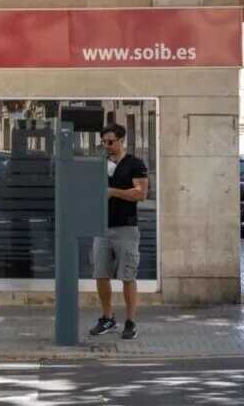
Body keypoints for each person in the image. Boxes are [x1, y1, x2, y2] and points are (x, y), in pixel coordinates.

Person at [89, 123, 149, 340]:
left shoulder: (135, 164)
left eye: (110, 141)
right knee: (100, 274)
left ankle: (130, 322)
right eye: (103, 142)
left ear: (121, 140)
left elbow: (141, 194)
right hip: (101, 227)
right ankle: (108, 318)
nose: (106, 145)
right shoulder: (100, 164)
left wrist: (113, 192)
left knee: (127, 276)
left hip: (126, 227)